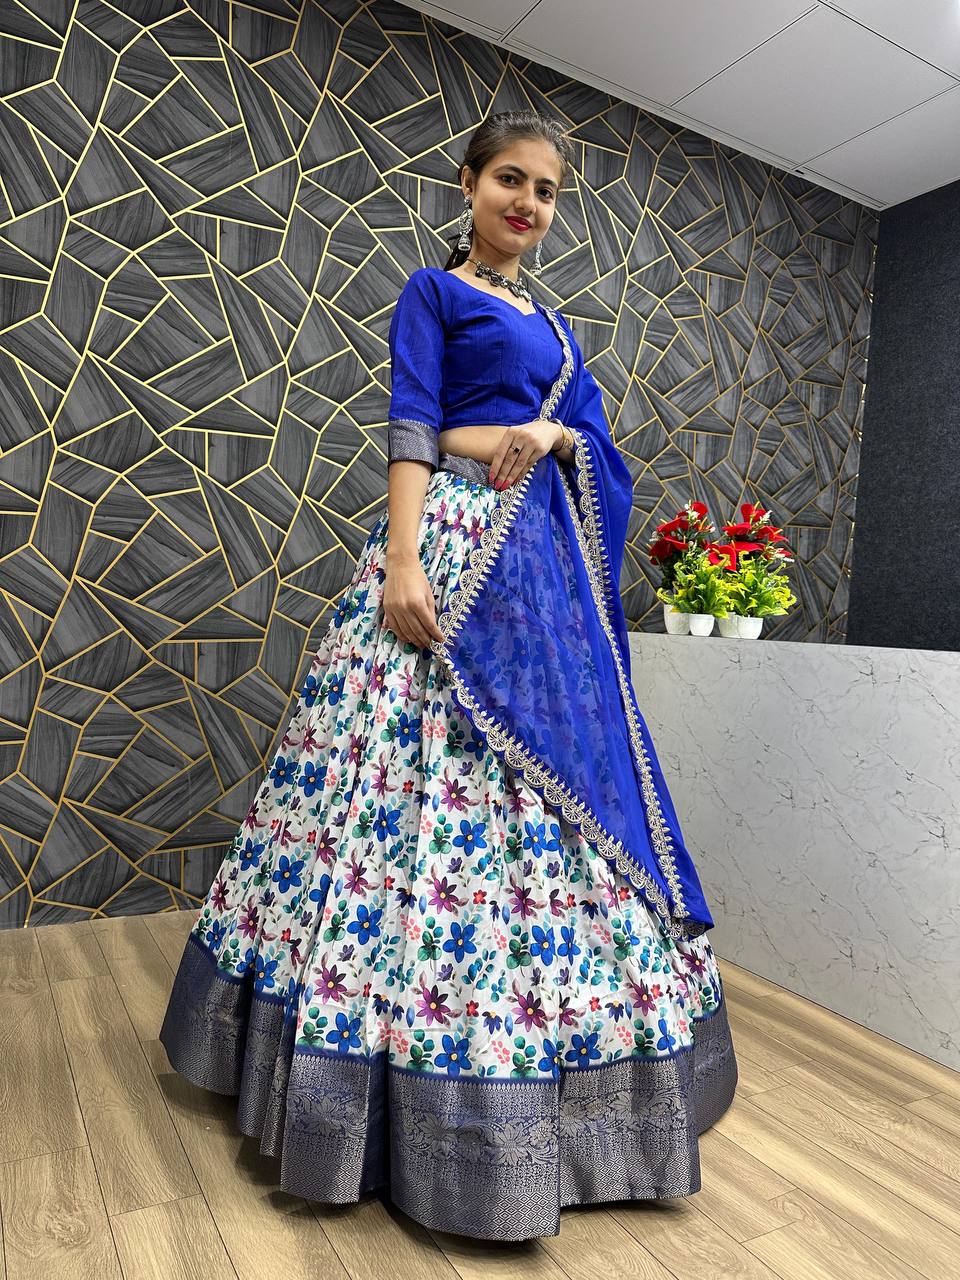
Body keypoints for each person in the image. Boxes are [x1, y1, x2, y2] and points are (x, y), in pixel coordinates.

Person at [160, 108, 738, 1242]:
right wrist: (405, 561)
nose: (529, 203)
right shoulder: (434, 293)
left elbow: (590, 445)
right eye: (510, 179)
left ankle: (571, 1078)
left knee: (541, 796)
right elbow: (415, 423)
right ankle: (365, 1064)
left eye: (547, 190)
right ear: (469, 184)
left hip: (537, 586)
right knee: (397, 787)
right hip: (447, 556)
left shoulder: (559, 330)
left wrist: (557, 440)